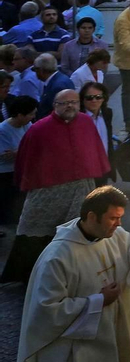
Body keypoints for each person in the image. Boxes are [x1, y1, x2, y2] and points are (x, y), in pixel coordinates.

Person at [14, 185, 130, 362]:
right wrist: (97, 301)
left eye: (120, 218)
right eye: (113, 218)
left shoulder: (117, 237)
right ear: (91, 216)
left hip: (113, 337)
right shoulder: (57, 257)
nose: (119, 224)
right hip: (77, 351)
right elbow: (46, 311)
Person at [3, 89, 111, 285]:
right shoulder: (39, 129)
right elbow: (26, 160)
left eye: (74, 102)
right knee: (35, 227)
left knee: (79, 228)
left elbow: (95, 149)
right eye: (64, 103)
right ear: (55, 106)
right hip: (48, 189)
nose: (70, 106)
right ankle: (33, 274)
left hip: (81, 186)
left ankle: (76, 270)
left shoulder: (86, 122)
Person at [0, 94, 37, 224]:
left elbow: (33, 144)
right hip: (6, 173)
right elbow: (6, 155)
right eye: (31, 114)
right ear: (20, 115)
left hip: (21, 169)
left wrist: (18, 151)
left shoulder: (27, 125)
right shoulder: (3, 130)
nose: (33, 117)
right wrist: (22, 150)